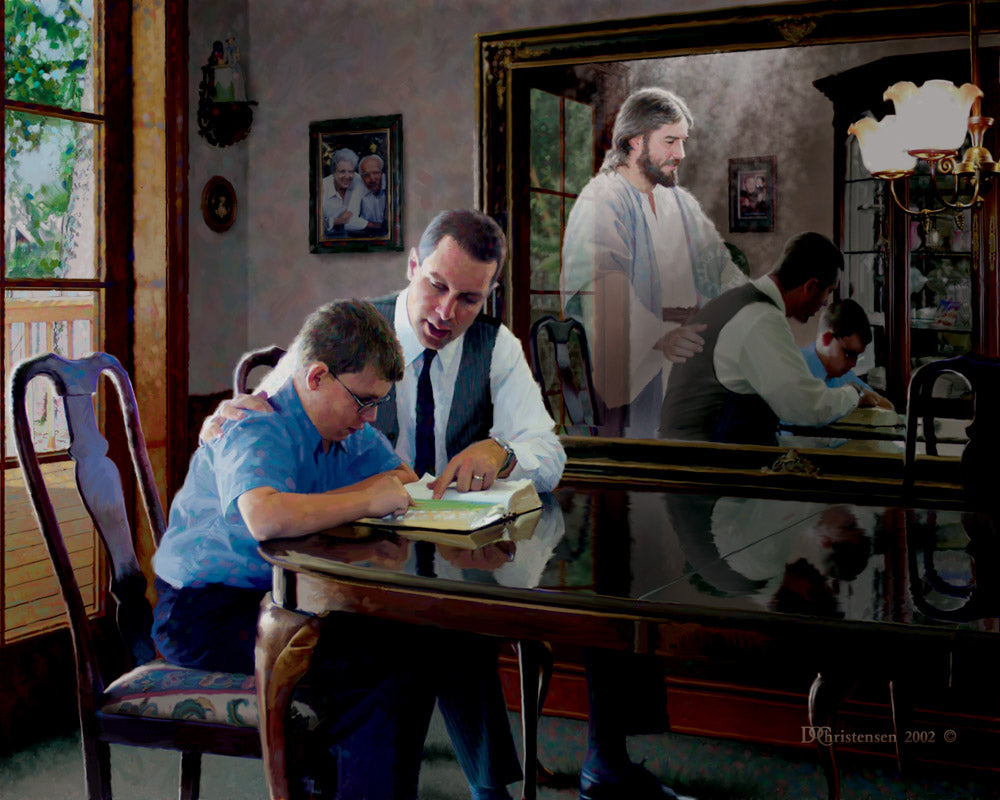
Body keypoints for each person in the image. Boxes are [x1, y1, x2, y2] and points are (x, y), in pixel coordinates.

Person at [202, 208, 566, 800]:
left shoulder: (496, 346)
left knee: (454, 606)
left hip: (438, 544)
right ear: (413, 267)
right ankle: (478, 785)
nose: (447, 313)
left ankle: (460, 784)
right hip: (349, 550)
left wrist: (500, 452)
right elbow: (271, 405)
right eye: (437, 286)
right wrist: (227, 410)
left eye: (469, 299)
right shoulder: (348, 330)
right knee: (430, 626)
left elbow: (548, 450)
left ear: (489, 295)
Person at [152, 300, 436, 798]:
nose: (370, 418)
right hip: (203, 611)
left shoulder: (349, 430)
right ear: (317, 376)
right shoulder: (254, 424)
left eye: (378, 404)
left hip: (284, 597)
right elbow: (265, 517)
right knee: (379, 664)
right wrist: (365, 498)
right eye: (362, 401)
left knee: (411, 646)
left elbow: (404, 479)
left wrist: (369, 489)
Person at [561, 86, 747, 438]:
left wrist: (755, 306)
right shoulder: (602, 199)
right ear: (634, 141)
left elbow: (722, 268)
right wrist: (662, 335)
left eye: (683, 141)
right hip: (637, 373)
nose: (681, 153)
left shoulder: (680, 203)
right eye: (670, 141)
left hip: (687, 360)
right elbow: (602, 292)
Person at [660, 232, 885, 445]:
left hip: (697, 454)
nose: (825, 304)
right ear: (811, 287)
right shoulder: (761, 318)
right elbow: (805, 406)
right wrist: (853, 393)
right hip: (707, 466)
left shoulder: (738, 301)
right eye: (827, 292)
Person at [803, 298, 893, 409]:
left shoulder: (843, 375)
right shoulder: (796, 367)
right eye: (849, 354)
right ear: (827, 339)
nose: (853, 364)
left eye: (857, 356)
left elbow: (887, 406)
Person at [322, 147, 367, 235]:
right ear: (333, 172)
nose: (347, 176)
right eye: (342, 171)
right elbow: (314, 224)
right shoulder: (323, 187)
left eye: (351, 171)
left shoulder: (358, 181)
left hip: (354, 235)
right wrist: (336, 221)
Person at [358, 153, 388, 234]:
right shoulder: (359, 189)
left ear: (382, 173)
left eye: (375, 173)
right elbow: (349, 221)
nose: (372, 179)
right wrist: (374, 225)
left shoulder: (391, 188)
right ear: (361, 177)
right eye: (366, 175)